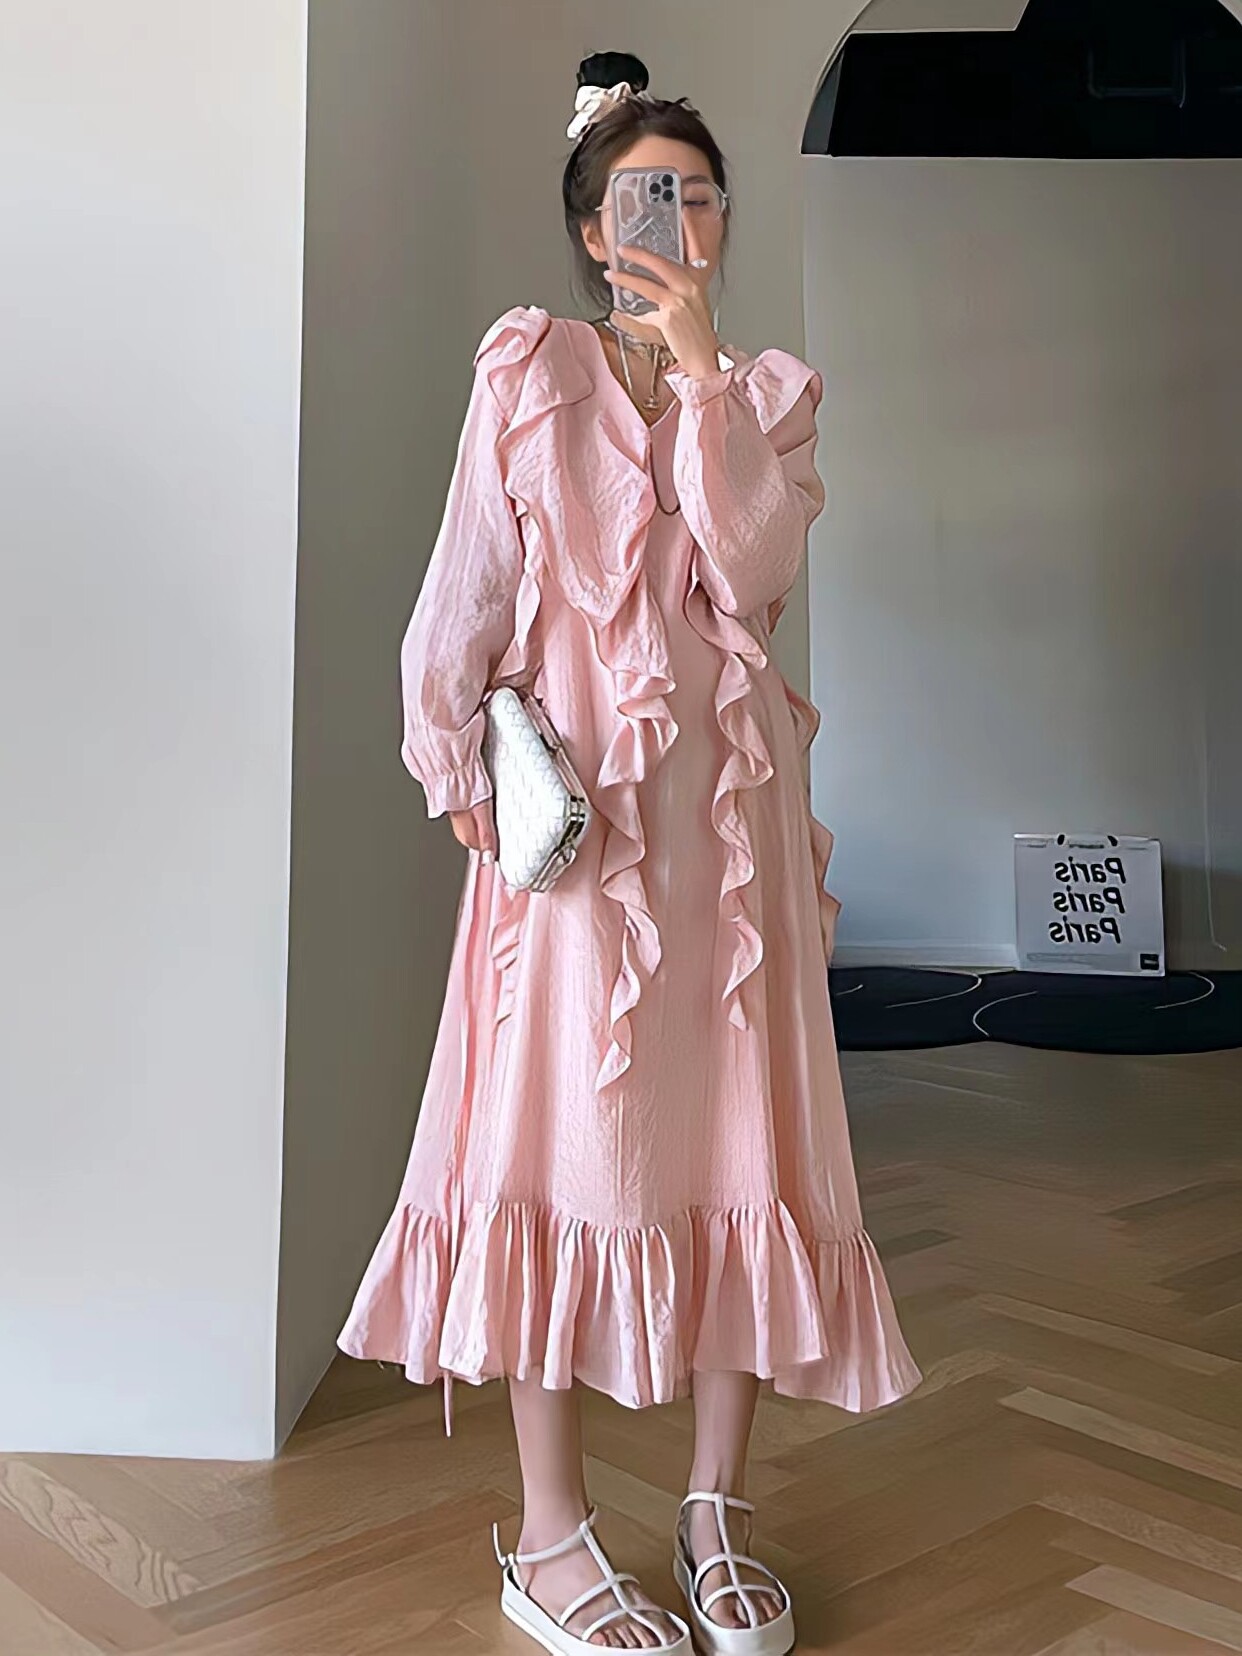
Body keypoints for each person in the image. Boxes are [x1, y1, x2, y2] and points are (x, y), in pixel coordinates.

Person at [337, 48, 922, 1656]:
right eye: (640, 198)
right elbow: (463, 586)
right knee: (551, 1149)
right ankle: (548, 1537)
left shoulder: (770, 396)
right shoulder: (527, 369)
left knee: (742, 1147)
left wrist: (704, 372)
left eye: (697, 194)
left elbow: (752, 577)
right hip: (576, 839)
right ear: (595, 229)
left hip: (727, 839)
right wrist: (452, 760)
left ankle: (716, 1508)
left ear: (721, 221)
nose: (673, 219)